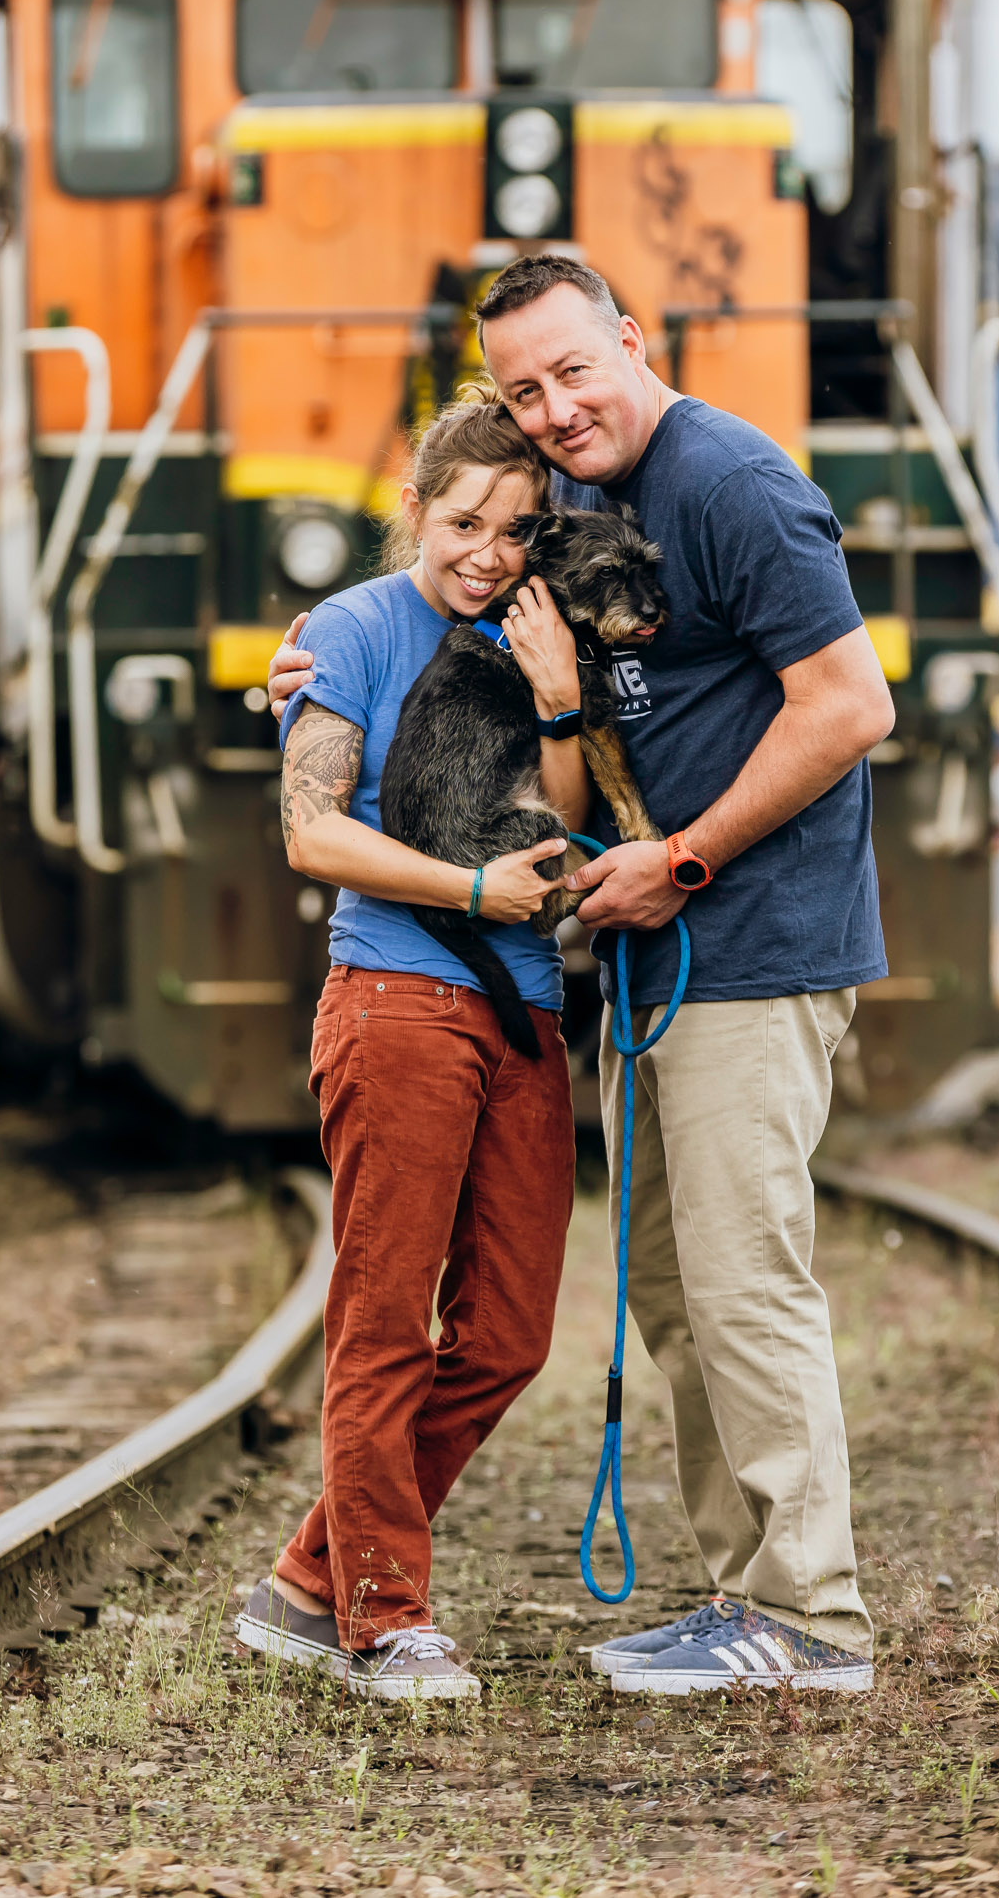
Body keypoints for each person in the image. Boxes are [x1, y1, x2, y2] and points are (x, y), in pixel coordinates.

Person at [270, 255, 894, 1695]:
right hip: (667, 954)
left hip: (747, 938)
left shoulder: (727, 479)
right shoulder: (591, 496)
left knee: (742, 1282)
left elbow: (852, 704)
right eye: (527, 391)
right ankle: (750, 1600)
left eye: (574, 372)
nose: (555, 410)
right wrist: (314, 665)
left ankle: (808, 1617)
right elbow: (449, 603)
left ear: (633, 338)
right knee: (679, 1287)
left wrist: (677, 859)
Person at [236, 393, 589, 1701]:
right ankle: (383, 1618)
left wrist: (561, 709)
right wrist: (470, 894)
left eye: (516, 528)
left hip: (525, 1013)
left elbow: (571, 826)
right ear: (417, 508)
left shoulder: (536, 635)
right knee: (384, 1316)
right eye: (464, 521)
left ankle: (308, 1581)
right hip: (399, 999)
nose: (488, 551)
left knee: (505, 1334)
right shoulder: (352, 628)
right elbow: (312, 832)